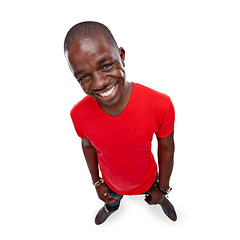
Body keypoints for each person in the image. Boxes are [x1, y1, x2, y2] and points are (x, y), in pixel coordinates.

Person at [64, 21, 177, 225]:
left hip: (149, 179)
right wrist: (97, 182)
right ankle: (111, 206)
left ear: (121, 56)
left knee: (157, 195)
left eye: (106, 65)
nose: (99, 83)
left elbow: (167, 148)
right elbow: (87, 145)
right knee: (113, 199)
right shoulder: (78, 113)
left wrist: (162, 187)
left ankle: (162, 199)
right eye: (84, 77)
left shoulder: (160, 104)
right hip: (111, 183)